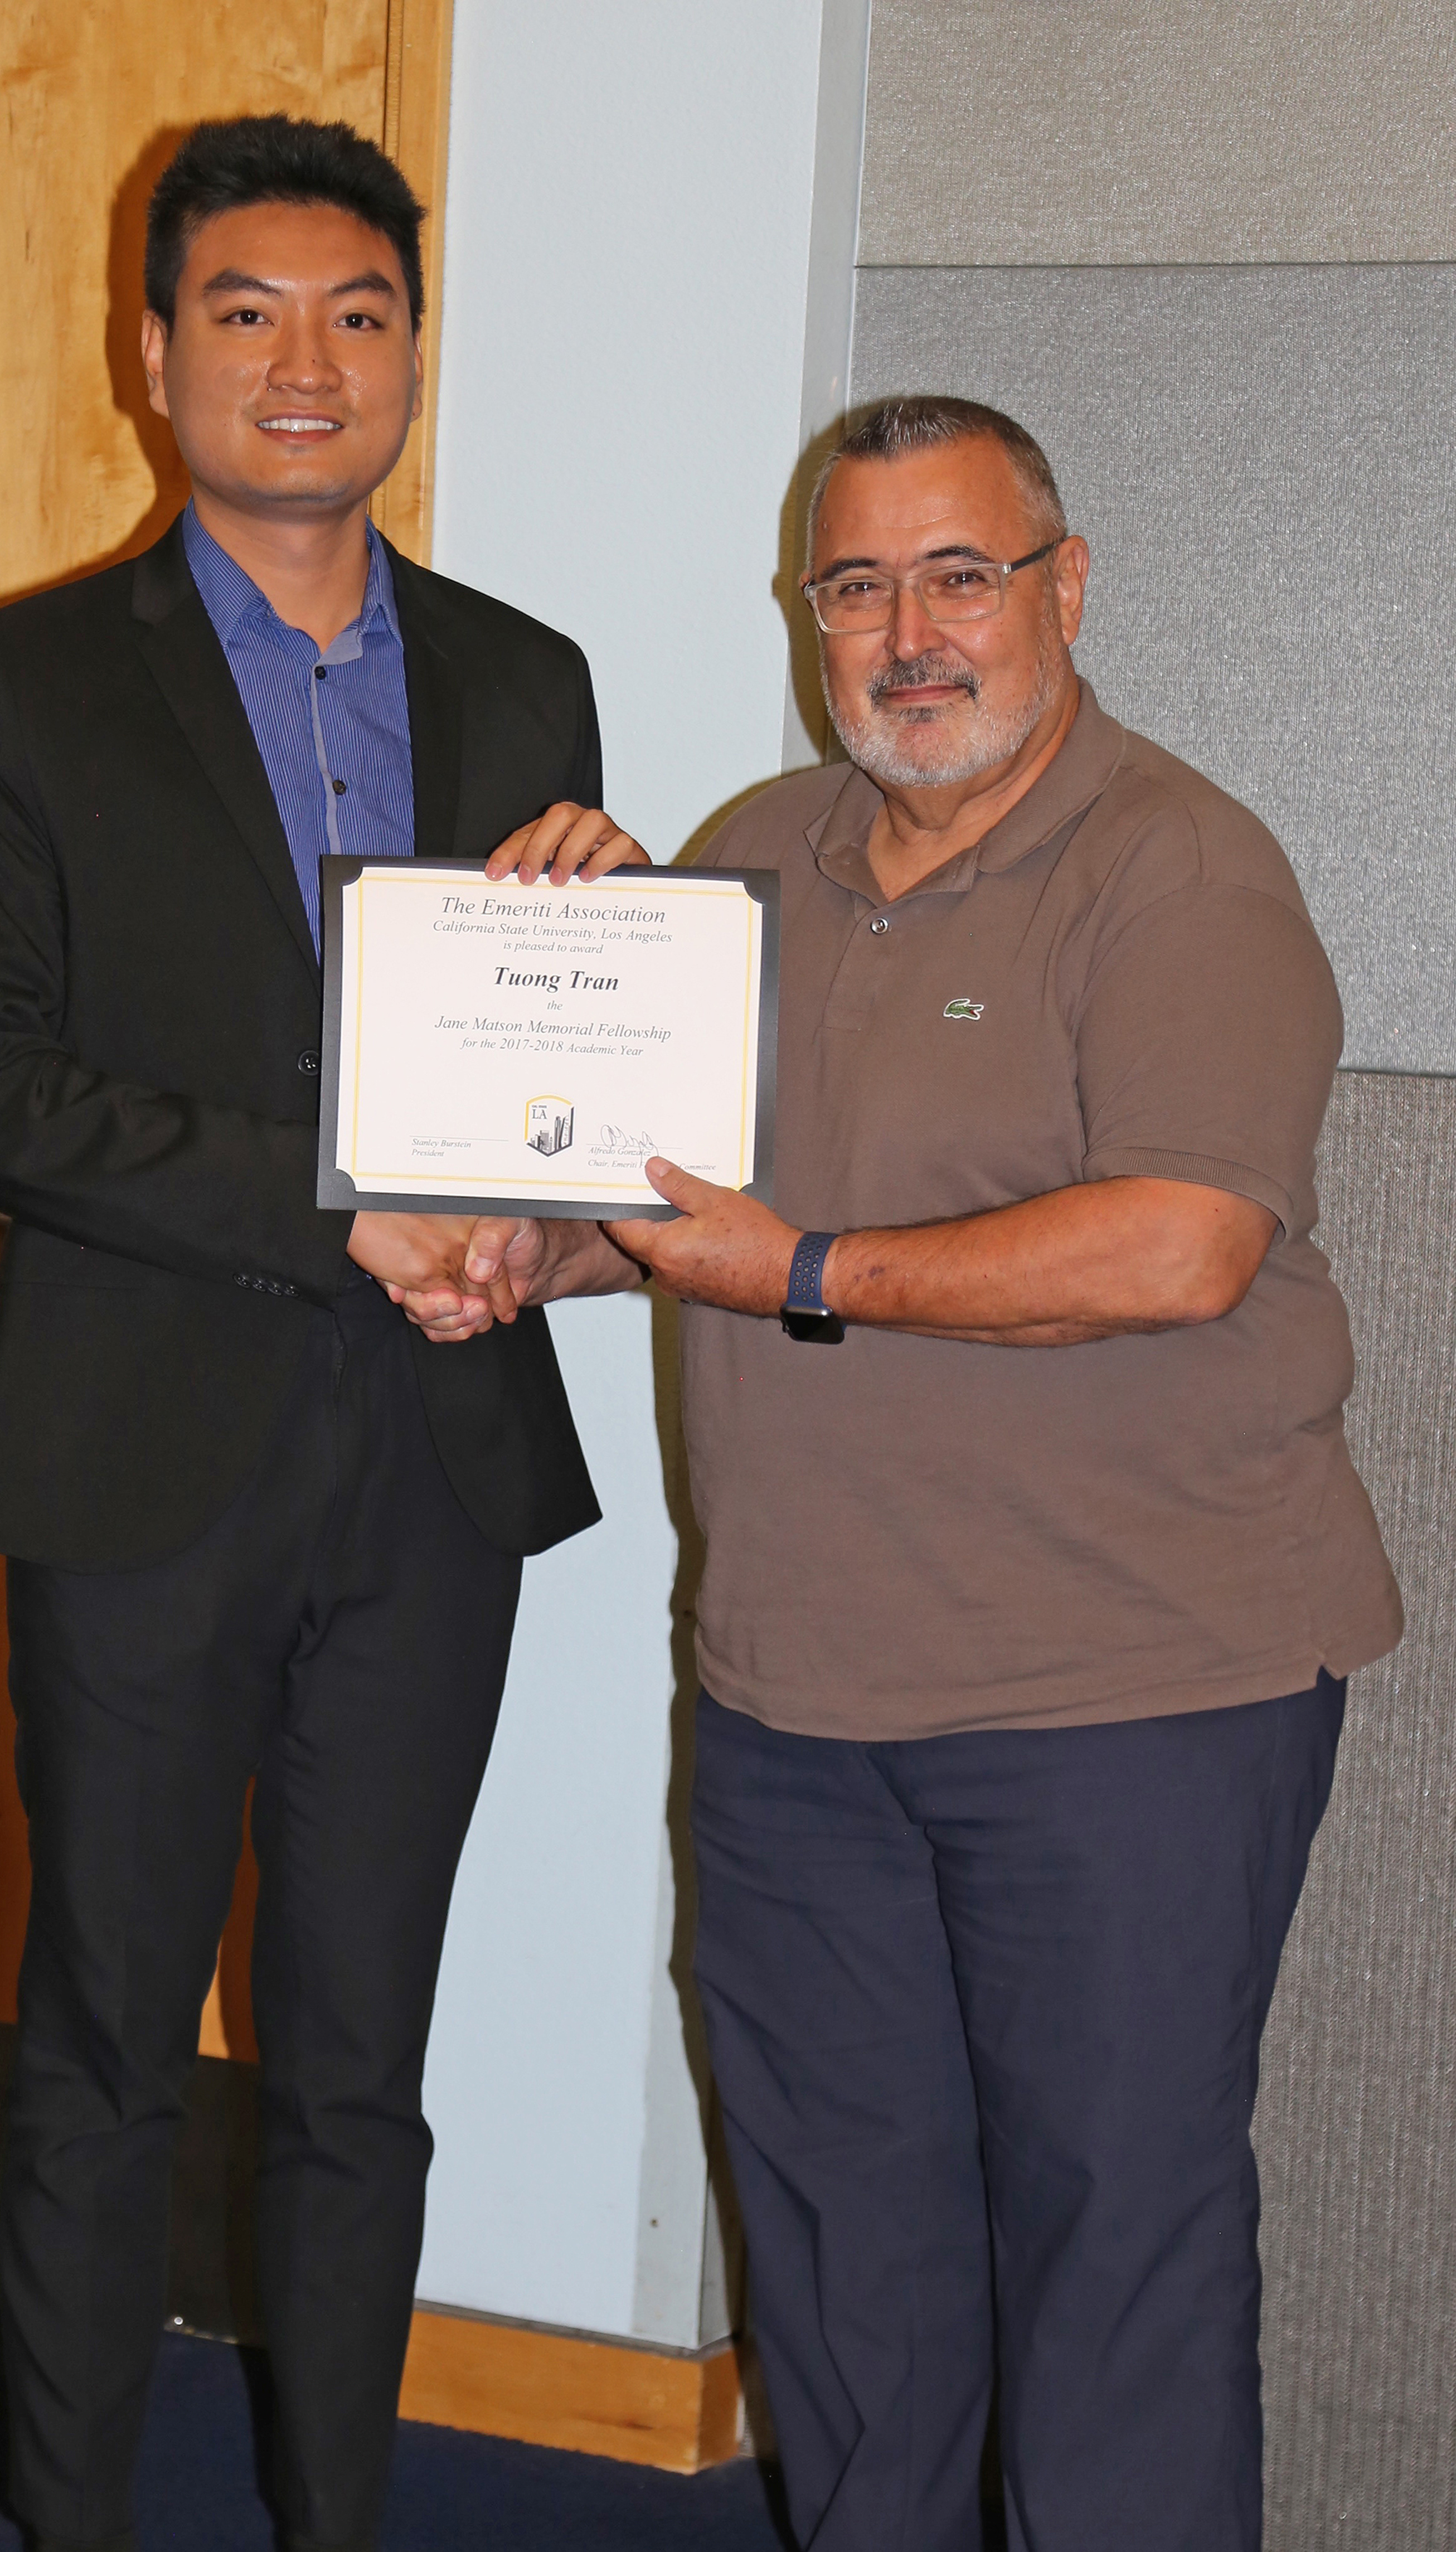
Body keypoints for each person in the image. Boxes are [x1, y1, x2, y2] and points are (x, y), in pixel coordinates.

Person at [0, 115, 637, 2552]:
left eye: (358, 313)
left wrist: (565, 1132)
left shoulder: (530, 679)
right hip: (138, 1454)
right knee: (107, 2054)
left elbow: (559, 1090)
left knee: (360, 2069)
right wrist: (345, 1207)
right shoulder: (17, 680)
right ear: (154, 354)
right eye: (246, 311)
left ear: (414, 347)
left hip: (435, 1459)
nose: (306, 362)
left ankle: (340, 2518)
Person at [603, 397, 1404, 2551]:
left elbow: (1180, 1241)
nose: (909, 631)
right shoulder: (752, 852)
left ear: (1068, 585)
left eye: (962, 573)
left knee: (1106, 2265)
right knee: (850, 2274)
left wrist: (814, 1273)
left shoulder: (1183, 866)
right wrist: (493, 1232)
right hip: (793, 1702)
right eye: (855, 585)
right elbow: (649, 1199)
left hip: (1129, 1702)